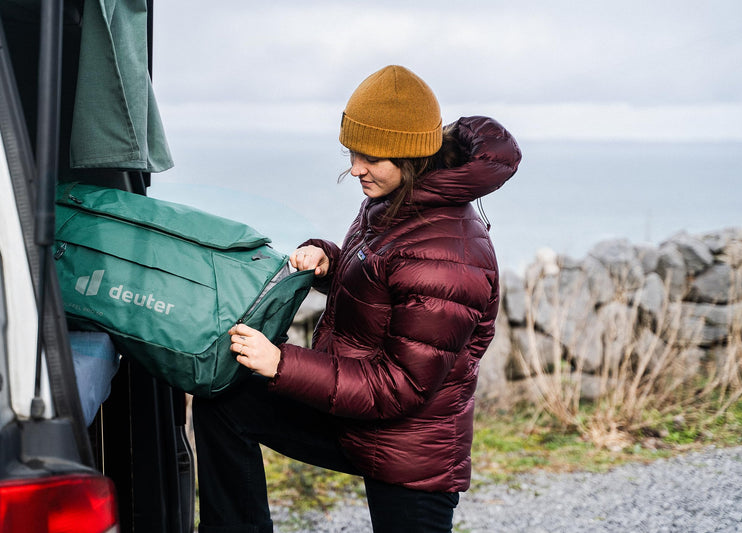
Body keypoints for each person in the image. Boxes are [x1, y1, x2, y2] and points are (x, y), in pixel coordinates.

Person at [193, 64, 521, 533]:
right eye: (352, 152)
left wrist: (281, 363)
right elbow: (386, 279)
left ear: (410, 157)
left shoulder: (446, 252)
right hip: (352, 415)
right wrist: (330, 261)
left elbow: (399, 386)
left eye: (369, 157)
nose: (355, 168)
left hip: (408, 445)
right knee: (225, 401)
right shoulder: (396, 199)